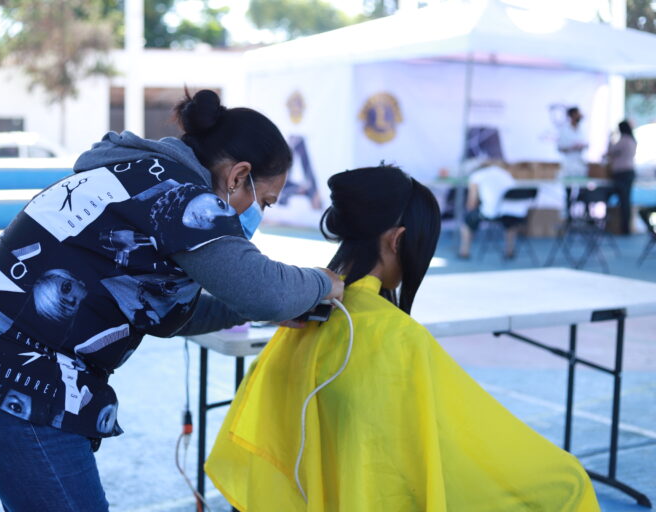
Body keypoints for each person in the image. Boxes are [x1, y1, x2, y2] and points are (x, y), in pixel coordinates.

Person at [0, 89, 344, 512]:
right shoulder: (181, 194)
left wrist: (258, 308)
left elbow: (168, 314)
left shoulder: (136, 175)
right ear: (238, 176)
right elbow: (266, 290)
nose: (259, 213)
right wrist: (324, 282)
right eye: (263, 200)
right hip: (8, 390)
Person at [206, 165, 599, 511]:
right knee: (568, 484)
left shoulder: (305, 314)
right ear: (398, 240)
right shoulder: (397, 338)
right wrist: (568, 478)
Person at [457, 160, 528, 259]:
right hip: (516, 214)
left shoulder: (477, 176)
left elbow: (471, 204)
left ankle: (464, 251)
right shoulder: (506, 174)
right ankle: (509, 251)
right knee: (510, 223)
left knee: (467, 221)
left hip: (493, 213)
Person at [606, 120, 637, 235]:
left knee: (620, 200)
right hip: (629, 172)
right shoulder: (632, 140)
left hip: (621, 173)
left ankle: (620, 227)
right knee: (626, 201)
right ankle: (625, 227)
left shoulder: (623, 141)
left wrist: (610, 139)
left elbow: (610, 152)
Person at [557, 106, 589, 178]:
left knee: (581, 186)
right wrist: (572, 148)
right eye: (578, 113)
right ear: (573, 115)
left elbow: (587, 144)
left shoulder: (583, 129)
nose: (580, 115)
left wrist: (583, 146)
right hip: (569, 164)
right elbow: (560, 148)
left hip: (580, 163)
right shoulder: (564, 130)